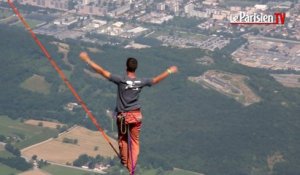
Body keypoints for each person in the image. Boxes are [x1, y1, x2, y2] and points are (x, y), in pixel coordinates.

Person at [79, 52, 178, 174]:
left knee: (123, 139)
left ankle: (126, 162)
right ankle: (132, 167)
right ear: (136, 68)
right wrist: (169, 71)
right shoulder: (141, 81)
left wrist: (87, 60)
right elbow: (156, 80)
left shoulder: (121, 80)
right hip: (136, 115)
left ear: (126, 67)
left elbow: (102, 71)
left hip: (123, 116)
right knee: (135, 141)